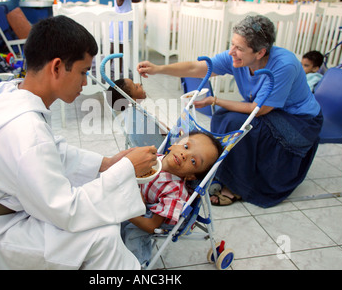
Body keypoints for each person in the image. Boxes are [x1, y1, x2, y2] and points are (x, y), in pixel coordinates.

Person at [0, 15, 158, 270]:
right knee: (101, 237)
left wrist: (107, 163)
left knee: (102, 219)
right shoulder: (25, 131)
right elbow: (67, 210)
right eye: (83, 72)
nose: (85, 82)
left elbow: (53, 149)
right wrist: (125, 169)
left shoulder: (12, 92)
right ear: (57, 67)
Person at [137, 15, 323, 208]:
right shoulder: (238, 57)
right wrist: (159, 68)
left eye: (239, 48)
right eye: (232, 44)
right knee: (223, 117)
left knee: (235, 124)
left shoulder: (284, 66)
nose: (232, 52)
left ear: (260, 53)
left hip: (299, 121)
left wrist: (216, 100)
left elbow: (258, 110)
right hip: (266, 109)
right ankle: (225, 172)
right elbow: (197, 67)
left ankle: (238, 185)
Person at [121, 131, 223, 264]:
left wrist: (126, 212)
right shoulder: (153, 159)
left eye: (193, 161)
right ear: (174, 144)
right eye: (186, 147)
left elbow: (152, 226)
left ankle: (135, 263)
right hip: (143, 199)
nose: (185, 155)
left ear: (192, 176)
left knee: (133, 232)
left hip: (157, 215)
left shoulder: (174, 192)